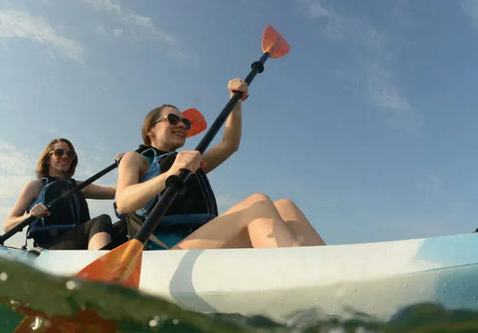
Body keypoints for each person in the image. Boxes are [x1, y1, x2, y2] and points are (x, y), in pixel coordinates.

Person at [114, 78, 325, 250]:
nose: (182, 125)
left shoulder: (190, 162)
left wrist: (235, 101)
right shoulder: (136, 159)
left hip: (202, 240)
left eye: (185, 122)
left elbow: (228, 145)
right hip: (165, 251)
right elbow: (123, 202)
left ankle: (330, 275)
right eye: (173, 119)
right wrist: (170, 175)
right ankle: (299, 274)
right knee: (258, 204)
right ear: (150, 129)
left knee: (285, 206)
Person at [5, 138, 116, 250]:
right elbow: (8, 225)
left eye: (70, 154)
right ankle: (99, 260)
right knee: (102, 220)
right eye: (59, 152)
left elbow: (115, 192)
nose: (65, 156)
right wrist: (31, 215)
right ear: (47, 159)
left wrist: (123, 164)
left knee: (122, 227)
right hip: (51, 247)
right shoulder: (36, 186)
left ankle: (104, 257)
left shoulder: (79, 186)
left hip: (80, 241)